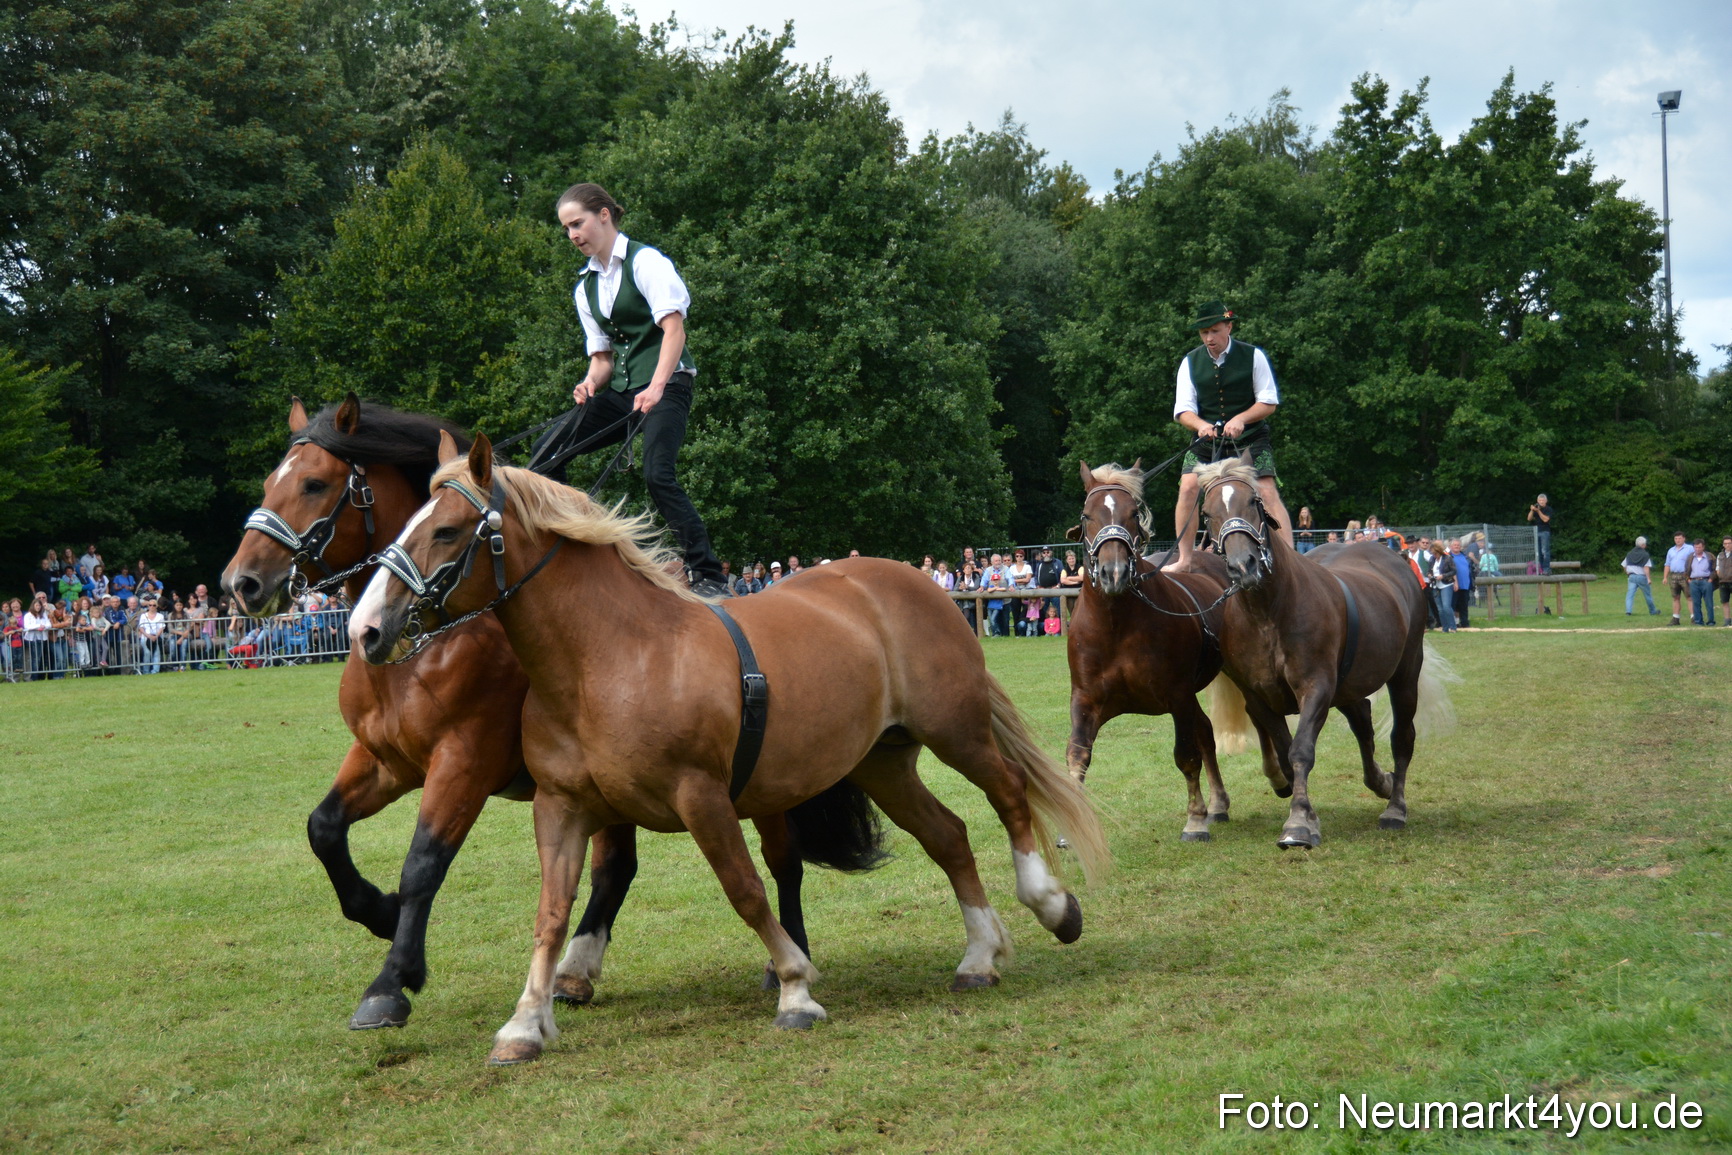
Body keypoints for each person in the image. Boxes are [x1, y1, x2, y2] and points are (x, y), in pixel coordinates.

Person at [530, 182, 727, 597]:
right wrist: (588, 382)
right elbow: (602, 359)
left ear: (604, 214)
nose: (573, 235)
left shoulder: (646, 262)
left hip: (668, 385)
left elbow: (673, 329)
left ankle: (708, 574)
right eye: (566, 229)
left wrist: (656, 387)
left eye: (577, 223)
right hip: (622, 392)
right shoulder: (585, 286)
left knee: (657, 475)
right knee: (546, 455)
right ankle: (581, 547)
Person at [1164, 302, 1293, 572]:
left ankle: (1292, 560)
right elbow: (1182, 410)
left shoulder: (1253, 356)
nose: (1209, 338)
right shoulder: (1190, 362)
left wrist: (1241, 418)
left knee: (1267, 490)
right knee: (1187, 488)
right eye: (1203, 333)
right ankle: (1185, 559)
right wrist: (1200, 425)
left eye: (1214, 331)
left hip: (1250, 437)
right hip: (1207, 441)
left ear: (1229, 327)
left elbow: (1268, 402)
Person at [1622, 536, 1658, 616]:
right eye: (1645, 544)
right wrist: (1648, 578)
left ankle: (1628, 611)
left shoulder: (1629, 554)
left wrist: (1628, 573)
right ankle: (1653, 611)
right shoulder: (1645, 555)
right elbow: (1646, 568)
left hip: (1631, 577)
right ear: (1642, 545)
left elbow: (1624, 565)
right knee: (1647, 595)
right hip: (1642, 577)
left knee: (1630, 595)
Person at [1662, 531, 1691, 625]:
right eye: (1676, 538)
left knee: (1690, 597)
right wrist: (1665, 577)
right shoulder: (1671, 550)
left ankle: (1694, 618)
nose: (1677, 540)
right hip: (1673, 576)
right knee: (1675, 597)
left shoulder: (1690, 549)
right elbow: (1667, 564)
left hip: (1685, 575)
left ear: (1684, 538)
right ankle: (1675, 618)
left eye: (1679, 538)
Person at [980, 553, 1013, 637]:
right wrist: (982, 587)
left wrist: (1011, 585)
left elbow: (1010, 578)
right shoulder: (988, 570)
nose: (998, 562)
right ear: (992, 562)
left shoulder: (1006, 569)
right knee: (994, 619)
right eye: (996, 561)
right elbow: (984, 580)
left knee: (1005, 619)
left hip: (1005, 600)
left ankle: (1006, 636)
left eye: (999, 560)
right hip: (993, 601)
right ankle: (996, 634)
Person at [1686, 539, 1716, 626]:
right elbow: (1686, 569)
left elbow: (1714, 569)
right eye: (1696, 547)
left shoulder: (1709, 556)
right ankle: (1698, 621)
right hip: (1694, 582)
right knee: (1696, 602)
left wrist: (1711, 579)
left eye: (1699, 547)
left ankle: (1711, 621)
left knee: (1709, 602)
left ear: (1703, 547)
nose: (1697, 549)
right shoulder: (1690, 557)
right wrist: (1688, 579)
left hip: (1706, 581)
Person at [1526, 495, 1556, 574]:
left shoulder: (1548, 509)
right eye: (1540, 500)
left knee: (1545, 551)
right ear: (1537, 501)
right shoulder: (1535, 509)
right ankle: (1540, 570)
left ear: (1546, 501)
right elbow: (1529, 518)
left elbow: (1545, 519)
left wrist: (1539, 511)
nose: (1541, 502)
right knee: (1538, 552)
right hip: (1536, 532)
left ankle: (1546, 569)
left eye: (1543, 500)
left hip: (1545, 532)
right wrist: (1532, 510)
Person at [1429, 547, 1457, 633]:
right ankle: (1445, 628)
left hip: (1446, 584)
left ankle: (1453, 627)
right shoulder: (1432, 559)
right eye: (1433, 554)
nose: (1434, 555)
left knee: (1446, 606)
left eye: (1435, 553)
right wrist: (1430, 575)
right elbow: (1429, 571)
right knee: (1440, 609)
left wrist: (1443, 576)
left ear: (1439, 552)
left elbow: (1454, 571)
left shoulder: (1447, 558)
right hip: (1436, 585)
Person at [1448, 539, 1475, 629]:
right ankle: (1453, 623)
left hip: (1465, 585)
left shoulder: (1465, 557)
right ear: (1451, 547)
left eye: (1458, 545)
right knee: (1453, 605)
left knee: (1464, 606)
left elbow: (1471, 570)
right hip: (1453, 585)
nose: (1457, 546)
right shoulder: (1448, 557)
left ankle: (1464, 623)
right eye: (1455, 545)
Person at [1718, 536, 1732, 627]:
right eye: (1725, 543)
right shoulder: (1720, 555)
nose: (1727, 545)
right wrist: (1720, 575)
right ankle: (1727, 621)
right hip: (1723, 581)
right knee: (1725, 602)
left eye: (1729, 543)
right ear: (1723, 545)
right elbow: (1717, 567)